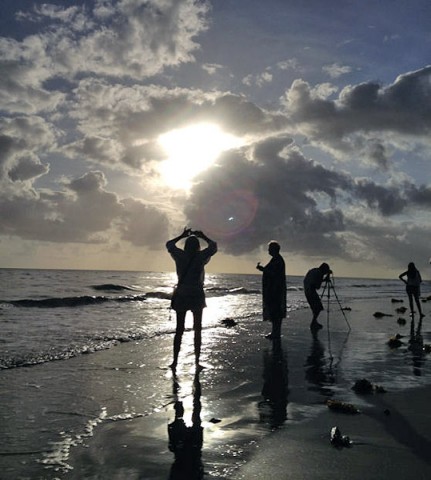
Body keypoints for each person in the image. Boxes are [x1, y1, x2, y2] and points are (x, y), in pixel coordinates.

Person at [166, 227, 217, 370]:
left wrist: (181, 236)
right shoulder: (201, 257)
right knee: (197, 329)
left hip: (181, 294)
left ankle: (175, 361)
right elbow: (214, 247)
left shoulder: (179, 255)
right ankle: (197, 362)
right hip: (196, 294)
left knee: (179, 330)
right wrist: (204, 236)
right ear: (198, 247)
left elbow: (169, 244)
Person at [256, 241, 287, 339]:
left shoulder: (277, 260)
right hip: (275, 289)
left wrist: (263, 269)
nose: (268, 250)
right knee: (275, 312)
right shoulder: (276, 259)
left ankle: (275, 333)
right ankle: (275, 332)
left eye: (269, 249)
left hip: (275, 290)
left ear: (274, 249)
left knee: (276, 312)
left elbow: (274, 273)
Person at [303, 262, 331, 331]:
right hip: (311, 291)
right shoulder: (319, 273)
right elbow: (317, 286)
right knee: (318, 308)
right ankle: (313, 323)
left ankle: (314, 322)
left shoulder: (314, 270)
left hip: (307, 290)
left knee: (315, 308)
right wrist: (325, 278)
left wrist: (324, 279)